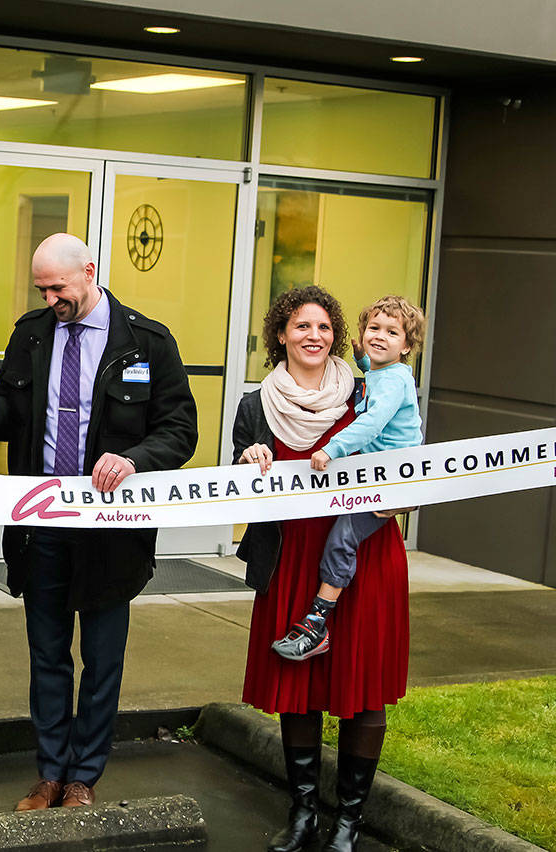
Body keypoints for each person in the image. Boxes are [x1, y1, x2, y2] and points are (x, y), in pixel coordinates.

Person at [0, 233, 197, 811]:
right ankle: (50, 772)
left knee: (102, 659)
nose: (51, 299)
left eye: (59, 287)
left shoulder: (146, 342)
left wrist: (134, 460)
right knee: (47, 653)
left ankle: (83, 778)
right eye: (42, 289)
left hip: (111, 531)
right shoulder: (30, 333)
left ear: (90, 272)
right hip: (41, 526)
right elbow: (10, 414)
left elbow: (179, 430)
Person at [233, 285, 409, 852]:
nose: (315, 336)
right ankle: (304, 812)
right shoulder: (255, 404)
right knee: (297, 689)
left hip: (363, 552)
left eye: (325, 327)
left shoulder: (366, 387)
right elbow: (235, 486)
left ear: (338, 336)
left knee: (362, 691)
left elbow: (406, 452)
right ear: (280, 334)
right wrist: (249, 459)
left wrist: (406, 490)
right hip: (291, 559)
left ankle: (349, 822)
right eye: (301, 326)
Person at [273, 295, 426, 661]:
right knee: (342, 538)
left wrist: (332, 449)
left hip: (387, 485)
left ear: (407, 346)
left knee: (342, 539)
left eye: (392, 332)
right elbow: (371, 372)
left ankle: (316, 623)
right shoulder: (382, 373)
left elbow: (372, 421)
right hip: (375, 479)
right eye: (373, 328)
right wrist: (361, 357)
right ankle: (317, 619)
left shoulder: (392, 383)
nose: (380, 337)